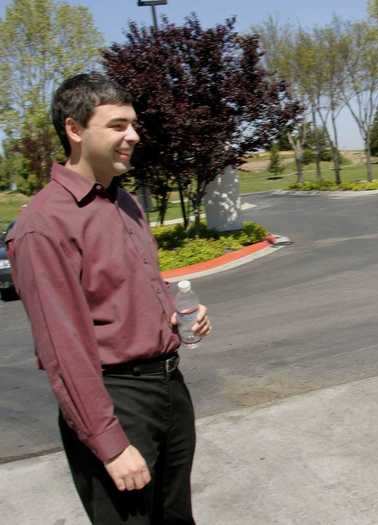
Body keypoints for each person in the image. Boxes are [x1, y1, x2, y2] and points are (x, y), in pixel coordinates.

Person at [7, 73, 211, 523]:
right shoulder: (44, 227)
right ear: (75, 130)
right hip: (116, 399)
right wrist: (109, 442)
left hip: (170, 390)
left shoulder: (125, 202)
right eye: (117, 125)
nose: (133, 135)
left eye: (133, 124)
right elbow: (64, 351)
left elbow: (135, 293)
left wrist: (178, 318)